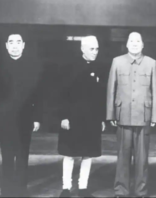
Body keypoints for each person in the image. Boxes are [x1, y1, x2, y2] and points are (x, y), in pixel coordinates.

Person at [106, 32, 156, 198]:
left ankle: (141, 191)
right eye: (132, 41)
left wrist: (155, 117)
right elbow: (111, 89)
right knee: (122, 157)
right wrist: (111, 115)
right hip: (123, 116)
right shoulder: (117, 62)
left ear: (143, 44)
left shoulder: (151, 63)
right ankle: (121, 191)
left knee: (142, 159)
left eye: (138, 41)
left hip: (143, 117)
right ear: (127, 44)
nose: (135, 44)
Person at [0, 33, 44, 197]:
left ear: (23, 45)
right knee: (7, 157)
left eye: (18, 42)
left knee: (22, 157)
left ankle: (21, 191)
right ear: (7, 45)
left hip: (25, 119)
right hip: (5, 120)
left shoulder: (32, 66)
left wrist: (37, 117)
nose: (15, 45)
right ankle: (6, 191)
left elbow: (38, 94)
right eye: (11, 42)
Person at [58, 35, 106, 198]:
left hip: (92, 118)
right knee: (70, 153)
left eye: (97, 49)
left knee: (88, 153)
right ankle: (66, 188)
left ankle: (83, 188)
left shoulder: (99, 68)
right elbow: (62, 94)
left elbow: (101, 96)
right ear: (82, 49)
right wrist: (64, 117)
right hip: (73, 118)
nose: (95, 52)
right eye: (92, 49)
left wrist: (101, 119)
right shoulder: (69, 67)